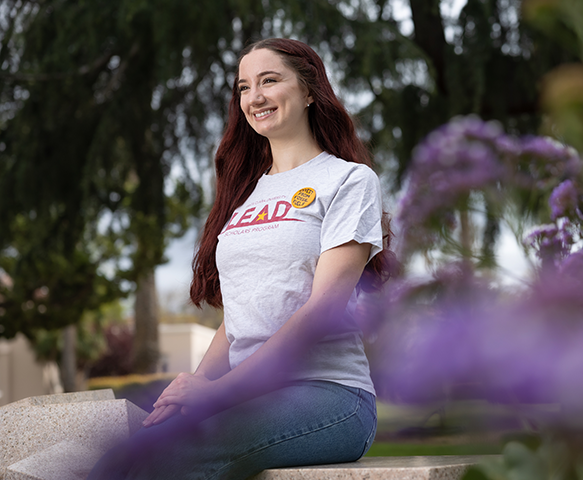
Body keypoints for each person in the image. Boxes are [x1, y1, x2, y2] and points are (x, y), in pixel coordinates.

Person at [88, 38, 393, 480]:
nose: (255, 97)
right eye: (244, 87)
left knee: (171, 459)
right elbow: (238, 320)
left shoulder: (348, 180)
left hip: (330, 395)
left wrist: (215, 396)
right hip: (245, 396)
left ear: (310, 91)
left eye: (270, 80)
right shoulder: (246, 196)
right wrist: (192, 390)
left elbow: (321, 310)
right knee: (117, 459)